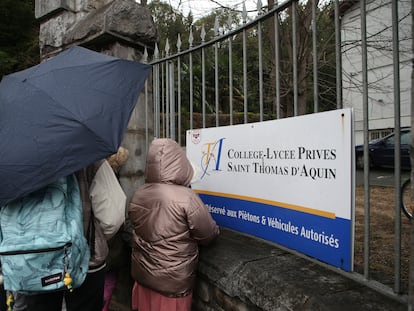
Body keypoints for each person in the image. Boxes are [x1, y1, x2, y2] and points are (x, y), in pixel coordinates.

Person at [128, 138, 220, 311]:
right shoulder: (186, 197)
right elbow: (208, 234)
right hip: (172, 283)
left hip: (143, 277)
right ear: (179, 162)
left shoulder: (139, 193)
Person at [24, 159, 116, 311]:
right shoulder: (91, 158)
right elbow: (112, 218)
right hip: (86, 259)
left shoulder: (15, 159)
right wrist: (95, 236)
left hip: (34, 258)